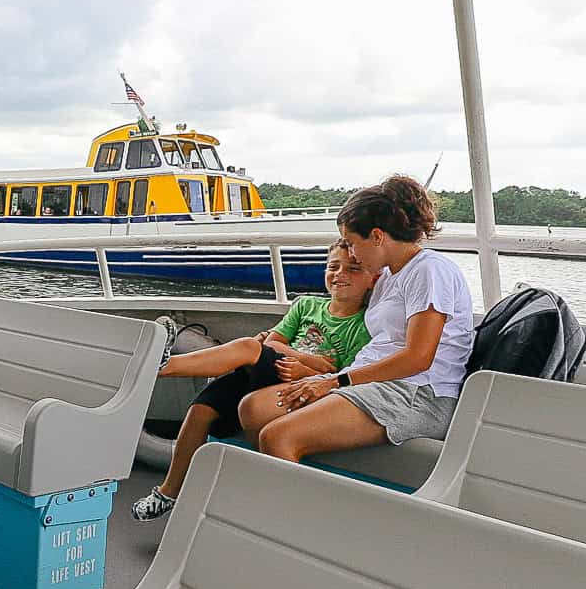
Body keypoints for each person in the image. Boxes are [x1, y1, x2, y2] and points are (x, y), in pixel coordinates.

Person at [130, 243, 376, 521]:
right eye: (333, 266)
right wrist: (308, 362)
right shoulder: (307, 305)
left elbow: (341, 375)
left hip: (299, 383)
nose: (340, 274)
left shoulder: (364, 326)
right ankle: (167, 493)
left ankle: (162, 367)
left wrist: (305, 371)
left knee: (249, 346)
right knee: (200, 412)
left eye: (353, 269)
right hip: (275, 368)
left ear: (372, 279)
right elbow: (272, 341)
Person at [241, 174, 475, 463]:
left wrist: (334, 382)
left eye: (352, 243)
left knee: (277, 436)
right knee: (253, 409)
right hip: (368, 380)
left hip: (417, 392)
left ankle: (301, 503)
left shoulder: (430, 271)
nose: (351, 253)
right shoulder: (389, 275)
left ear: (377, 236)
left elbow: (418, 358)